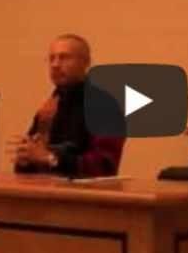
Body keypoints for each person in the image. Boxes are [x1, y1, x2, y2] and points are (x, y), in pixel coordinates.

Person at [10, 34, 126, 178]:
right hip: (43, 188)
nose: (55, 64)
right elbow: (35, 158)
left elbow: (104, 166)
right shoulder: (50, 105)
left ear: (86, 62)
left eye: (64, 57)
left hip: (85, 191)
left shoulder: (104, 106)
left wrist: (50, 158)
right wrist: (25, 158)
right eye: (51, 58)